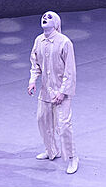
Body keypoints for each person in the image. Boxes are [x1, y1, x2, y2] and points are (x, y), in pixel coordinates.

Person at [28, 10, 78, 173]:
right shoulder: (38, 41)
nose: (45, 18)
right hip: (45, 92)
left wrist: (62, 92)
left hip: (61, 92)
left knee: (63, 125)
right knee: (42, 121)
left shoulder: (64, 42)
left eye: (49, 17)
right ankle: (51, 150)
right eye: (43, 16)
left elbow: (70, 70)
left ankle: (72, 157)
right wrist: (32, 80)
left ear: (56, 23)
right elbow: (35, 63)